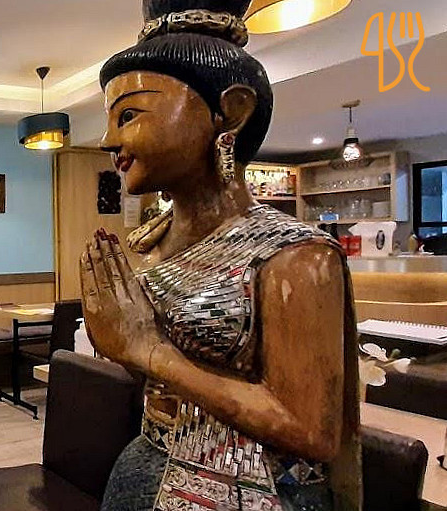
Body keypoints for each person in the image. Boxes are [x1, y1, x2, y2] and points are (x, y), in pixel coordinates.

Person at [81, 1, 361, 510]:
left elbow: (311, 430)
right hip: (143, 466)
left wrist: (146, 349)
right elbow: (149, 376)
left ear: (230, 111)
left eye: (129, 115)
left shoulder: (297, 257)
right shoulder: (150, 244)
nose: (108, 140)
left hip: (251, 491)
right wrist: (119, 343)